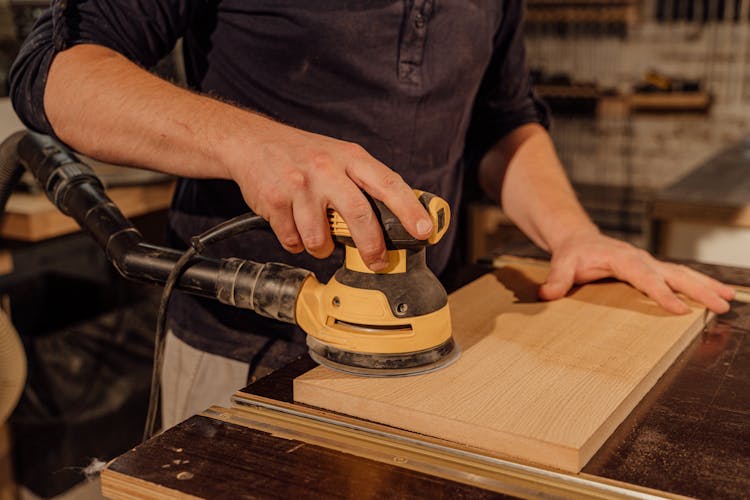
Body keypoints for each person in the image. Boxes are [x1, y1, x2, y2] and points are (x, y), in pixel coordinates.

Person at [10, 1, 734, 428]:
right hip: (235, 340)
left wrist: (574, 234)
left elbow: (504, 120)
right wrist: (251, 143)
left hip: (429, 348)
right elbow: (54, 71)